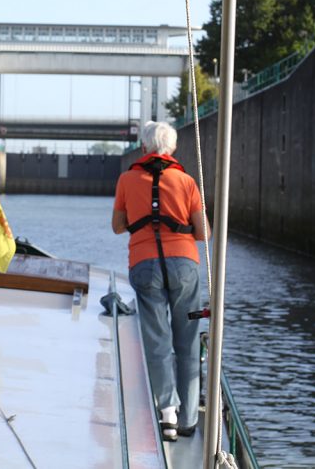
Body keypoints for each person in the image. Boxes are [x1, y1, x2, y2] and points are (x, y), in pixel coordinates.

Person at [112, 120, 208, 442]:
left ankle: (167, 413)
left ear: (143, 148)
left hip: (144, 268)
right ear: (173, 149)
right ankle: (189, 419)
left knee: (157, 341)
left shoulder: (126, 179)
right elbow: (204, 232)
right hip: (186, 270)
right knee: (189, 339)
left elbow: (116, 226)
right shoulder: (187, 181)